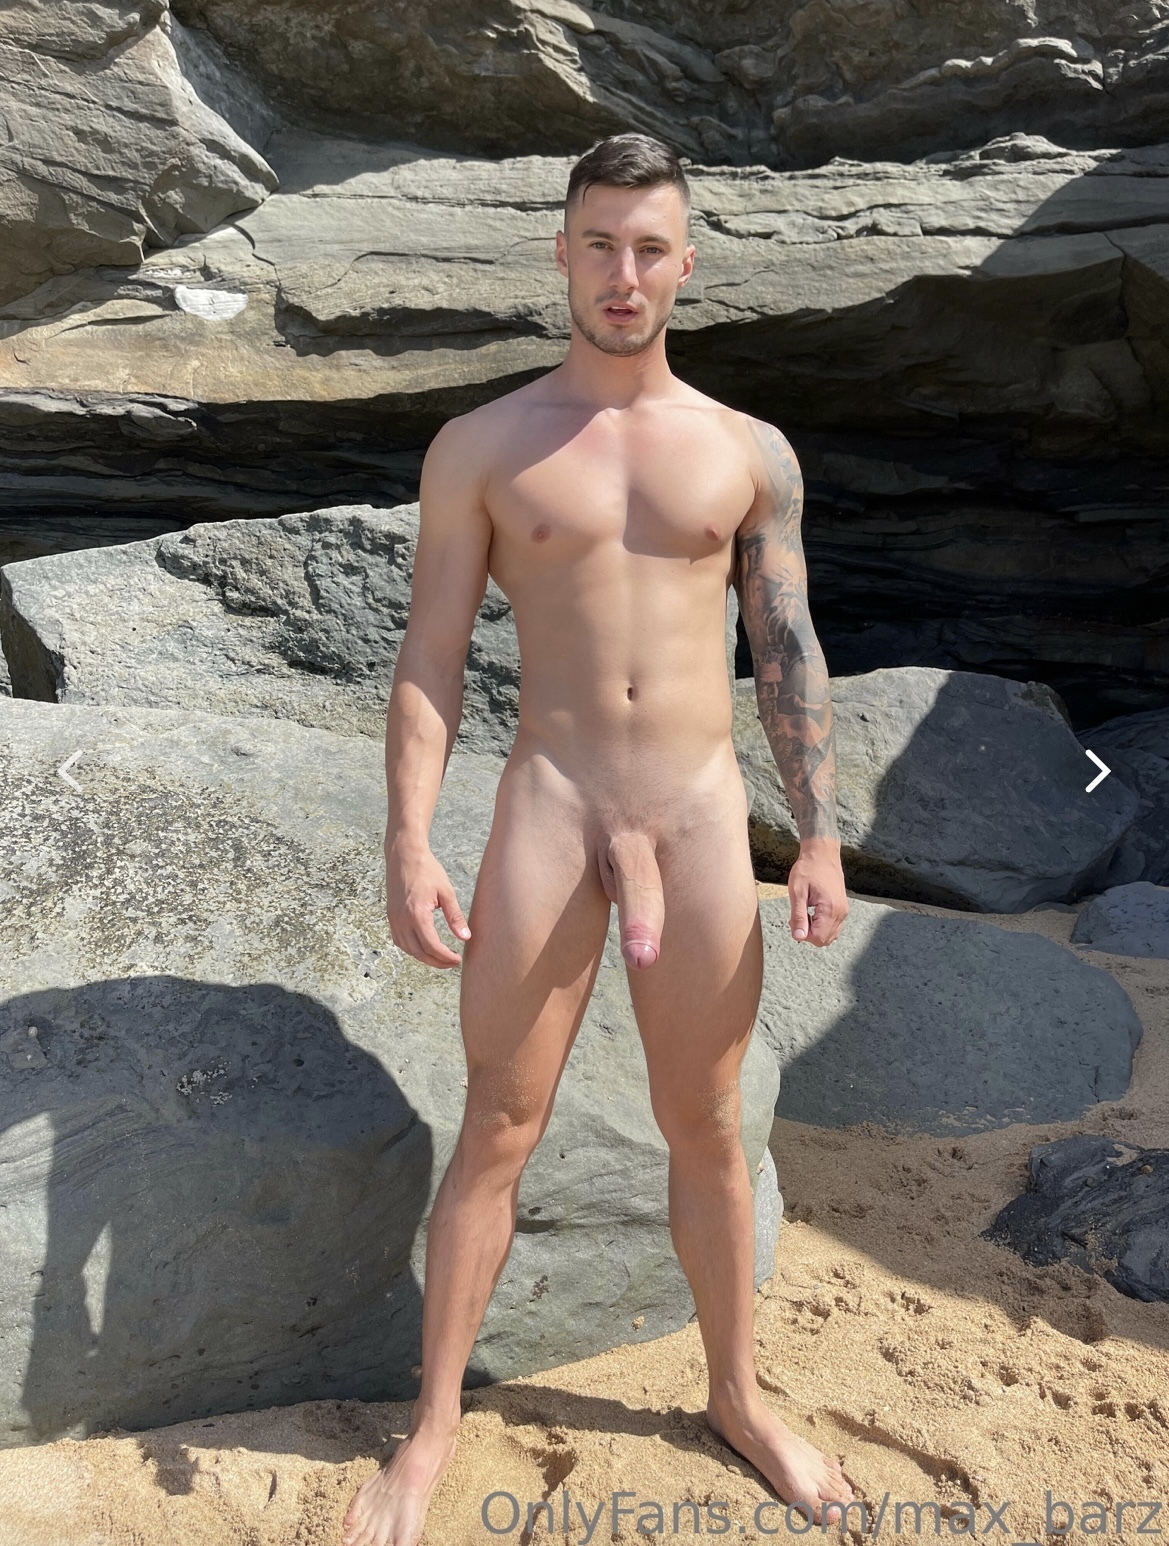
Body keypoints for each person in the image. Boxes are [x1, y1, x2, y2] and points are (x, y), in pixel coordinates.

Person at [342, 131, 853, 1546]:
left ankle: (736, 1396)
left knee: (708, 1124)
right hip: (552, 805)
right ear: (560, 255)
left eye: (649, 248)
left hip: (696, 811)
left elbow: (786, 645)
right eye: (598, 245)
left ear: (686, 265)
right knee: (497, 1126)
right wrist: (407, 839)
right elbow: (430, 655)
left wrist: (817, 835)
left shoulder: (747, 450)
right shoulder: (481, 446)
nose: (623, 274)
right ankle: (433, 1430)